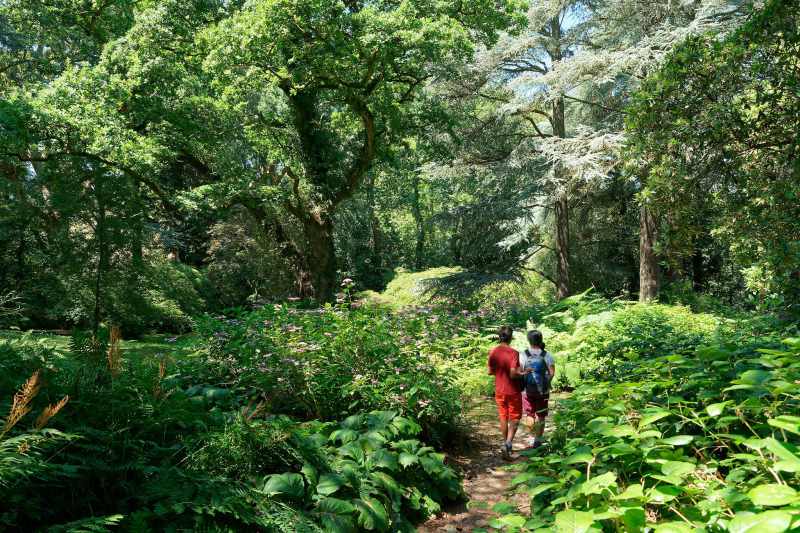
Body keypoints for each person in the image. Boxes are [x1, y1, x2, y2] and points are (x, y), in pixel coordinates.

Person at [488, 325, 528, 460]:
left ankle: (505, 444)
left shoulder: (493, 352)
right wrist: (523, 373)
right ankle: (508, 443)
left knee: (503, 416)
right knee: (515, 417)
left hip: (499, 389)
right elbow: (513, 374)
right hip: (513, 390)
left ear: (499, 337)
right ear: (511, 337)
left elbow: (490, 371)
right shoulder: (513, 353)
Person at [519, 330, 555, 449]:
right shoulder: (547, 355)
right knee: (542, 416)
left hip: (527, 391)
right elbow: (552, 373)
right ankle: (538, 441)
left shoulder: (523, 355)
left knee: (530, 414)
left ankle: (530, 437)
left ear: (529, 340)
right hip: (543, 392)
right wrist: (545, 384)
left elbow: (520, 372)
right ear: (541, 339)